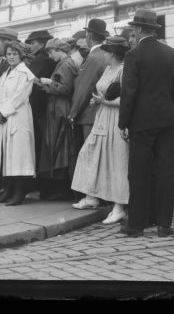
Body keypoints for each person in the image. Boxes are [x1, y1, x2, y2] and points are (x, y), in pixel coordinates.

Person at [118, 9, 174, 238]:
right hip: (168, 121)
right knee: (165, 172)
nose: (132, 31)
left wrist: (123, 122)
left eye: (133, 28)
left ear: (139, 29)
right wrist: (169, 105)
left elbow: (128, 92)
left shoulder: (134, 54)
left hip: (142, 122)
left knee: (139, 173)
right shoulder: (170, 53)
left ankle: (136, 225)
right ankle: (164, 224)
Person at [71, 36, 131, 225]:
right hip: (101, 117)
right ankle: (92, 196)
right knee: (91, 153)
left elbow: (126, 100)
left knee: (117, 161)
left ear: (113, 53)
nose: (103, 54)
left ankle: (119, 207)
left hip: (116, 120)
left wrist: (103, 101)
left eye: (106, 51)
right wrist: (97, 100)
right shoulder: (107, 69)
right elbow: (103, 90)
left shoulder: (123, 71)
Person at [0, 41, 37, 206]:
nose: (11, 57)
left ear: (21, 55)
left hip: (17, 117)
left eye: (14, 54)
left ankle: (19, 192)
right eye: (8, 54)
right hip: (3, 118)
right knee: (5, 154)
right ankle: (8, 189)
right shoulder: (5, 73)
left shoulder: (25, 73)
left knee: (18, 156)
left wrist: (3, 112)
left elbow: (20, 97)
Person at [36, 38, 79, 200]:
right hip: (58, 109)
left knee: (60, 148)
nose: (50, 55)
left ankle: (62, 190)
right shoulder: (65, 64)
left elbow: (65, 88)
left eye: (51, 52)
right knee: (59, 149)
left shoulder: (66, 64)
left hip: (60, 110)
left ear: (58, 50)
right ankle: (61, 189)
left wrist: (48, 83)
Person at [69, 19, 111, 157]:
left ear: (90, 35)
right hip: (104, 113)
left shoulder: (93, 57)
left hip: (89, 115)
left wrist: (73, 114)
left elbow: (84, 89)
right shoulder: (107, 54)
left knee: (88, 157)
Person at [25, 30, 56, 179]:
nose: (30, 46)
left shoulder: (41, 60)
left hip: (37, 109)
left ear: (42, 43)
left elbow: (32, 85)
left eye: (33, 43)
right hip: (40, 108)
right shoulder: (42, 59)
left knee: (36, 145)